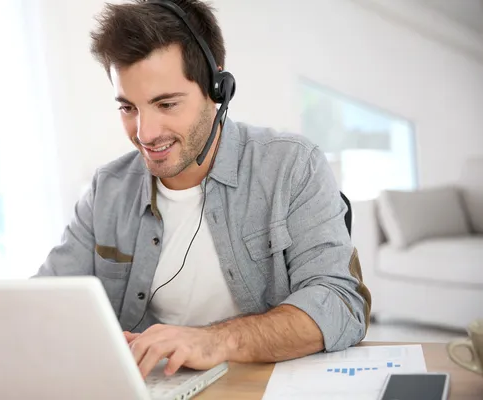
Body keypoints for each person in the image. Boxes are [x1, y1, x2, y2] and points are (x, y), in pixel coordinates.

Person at [34, 0, 371, 380]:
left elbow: (342, 305)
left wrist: (213, 341)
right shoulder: (107, 190)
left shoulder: (292, 167)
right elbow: (42, 304)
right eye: (128, 108)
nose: (145, 134)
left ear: (217, 89)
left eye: (166, 104)